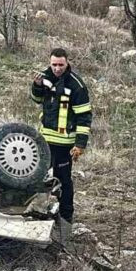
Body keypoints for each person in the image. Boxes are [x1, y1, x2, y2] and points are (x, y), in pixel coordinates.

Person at [31, 48, 92, 245]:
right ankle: (36, 216)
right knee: (38, 178)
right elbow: (37, 99)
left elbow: (84, 116)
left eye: (61, 65)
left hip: (64, 144)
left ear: (67, 63)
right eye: (54, 64)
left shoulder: (76, 85)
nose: (57, 69)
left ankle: (65, 224)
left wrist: (80, 144)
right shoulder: (45, 76)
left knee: (64, 182)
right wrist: (37, 86)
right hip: (45, 140)